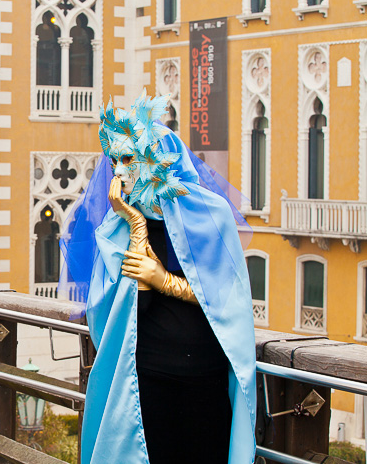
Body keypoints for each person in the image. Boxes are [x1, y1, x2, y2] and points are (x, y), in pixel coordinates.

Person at [61, 92, 257, 464]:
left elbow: (227, 298)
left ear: (155, 158)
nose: (118, 171)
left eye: (128, 159)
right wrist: (135, 222)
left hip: (203, 374)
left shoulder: (211, 214)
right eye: (114, 160)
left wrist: (164, 279)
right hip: (148, 376)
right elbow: (135, 304)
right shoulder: (120, 225)